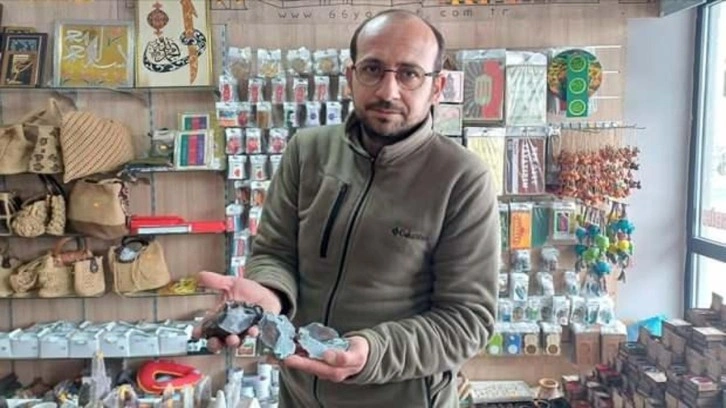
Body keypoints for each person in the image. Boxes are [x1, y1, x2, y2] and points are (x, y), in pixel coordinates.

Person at [196, 9, 500, 407]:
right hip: (299, 395)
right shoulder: (307, 151)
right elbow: (274, 253)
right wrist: (270, 295)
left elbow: (467, 321)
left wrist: (371, 352)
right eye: (373, 69)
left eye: (409, 74)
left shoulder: (462, 178)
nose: (388, 91)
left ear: (437, 86)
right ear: (351, 76)